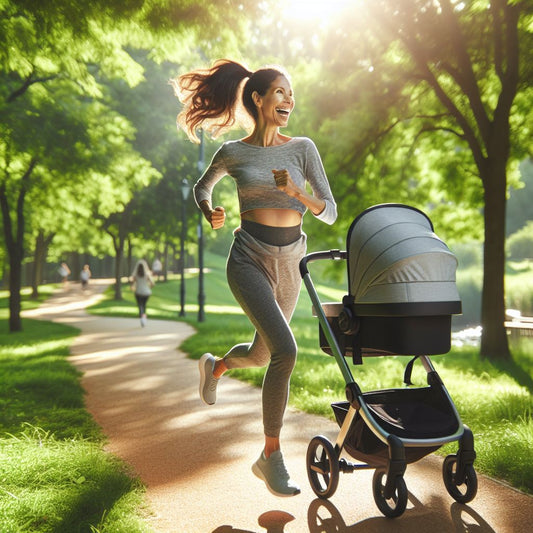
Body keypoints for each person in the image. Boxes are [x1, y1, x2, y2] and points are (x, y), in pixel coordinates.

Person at [172, 59, 337, 497]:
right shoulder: (234, 152)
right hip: (248, 259)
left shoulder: (302, 148)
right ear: (259, 99)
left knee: (264, 355)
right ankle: (270, 456)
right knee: (286, 350)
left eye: (291, 93)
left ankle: (217, 365)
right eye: (281, 92)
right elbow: (201, 187)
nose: (289, 100)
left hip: (289, 261)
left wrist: (296, 193)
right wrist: (210, 211)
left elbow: (330, 209)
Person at [130, 259, 155, 327]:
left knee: (140, 306)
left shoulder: (136, 275)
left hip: (138, 292)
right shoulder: (147, 275)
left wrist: (133, 287)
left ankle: (142, 317)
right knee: (144, 305)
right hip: (146, 293)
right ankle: (143, 317)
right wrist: (148, 287)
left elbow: (132, 284)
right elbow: (152, 284)